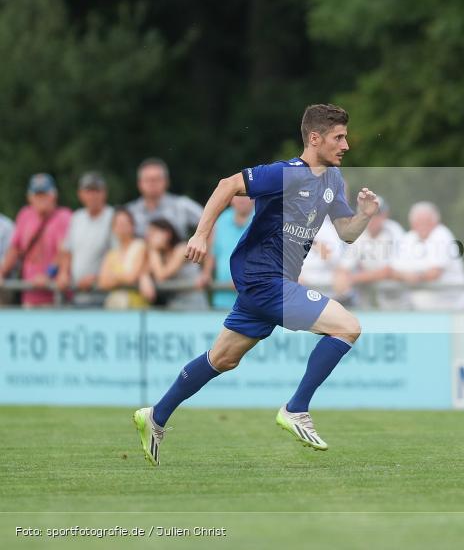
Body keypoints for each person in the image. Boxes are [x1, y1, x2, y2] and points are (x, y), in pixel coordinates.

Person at [133, 103, 380, 466]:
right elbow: (228, 185)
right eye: (338, 137)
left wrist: (363, 216)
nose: (345, 145)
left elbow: (346, 233)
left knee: (223, 358)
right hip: (263, 278)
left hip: (268, 283)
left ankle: (155, 415)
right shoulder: (287, 173)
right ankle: (296, 409)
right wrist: (201, 234)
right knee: (348, 327)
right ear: (315, 138)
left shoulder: (332, 181)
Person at [391, 202, 464, 310]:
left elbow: (434, 273)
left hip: (458, 310)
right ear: (412, 224)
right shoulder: (408, 238)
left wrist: (415, 277)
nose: (423, 225)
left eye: (427, 221)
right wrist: (407, 276)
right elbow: (393, 271)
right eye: (418, 222)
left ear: (436, 222)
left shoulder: (442, 234)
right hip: (424, 312)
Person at [0, 174, 72, 307]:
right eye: (37, 195)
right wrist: (2, 271)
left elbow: (64, 251)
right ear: (29, 197)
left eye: (45, 194)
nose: (41, 199)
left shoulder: (63, 217)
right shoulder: (25, 215)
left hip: (55, 295)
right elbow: (15, 248)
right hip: (29, 293)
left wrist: (48, 275)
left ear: (54, 195)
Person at [333, 196, 408, 309]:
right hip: (368, 303)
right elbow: (343, 268)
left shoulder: (394, 230)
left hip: (397, 302)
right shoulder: (358, 233)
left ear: (385, 215)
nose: (373, 218)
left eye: (377, 214)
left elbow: (389, 271)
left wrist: (353, 278)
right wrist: (342, 278)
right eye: (367, 214)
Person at [56, 172, 114, 307]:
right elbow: (67, 250)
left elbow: (117, 254)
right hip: (77, 293)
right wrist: (63, 272)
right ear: (80, 194)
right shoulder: (77, 218)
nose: (93, 196)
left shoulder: (113, 217)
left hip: (104, 294)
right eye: (88, 191)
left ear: (104, 193)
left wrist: (98, 277)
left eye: (97, 191)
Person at [127, 158, 203, 238]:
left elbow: (209, 222)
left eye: (156, 179)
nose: (152, 183)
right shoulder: (129, 212)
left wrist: (204, 245)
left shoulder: (182, 206)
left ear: (166, 181)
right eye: (147, 179)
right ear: (139, 183)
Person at [143, 218, 210, 310]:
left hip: (193, 305)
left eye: (153, 233)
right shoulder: (160, 256)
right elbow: (144, 270)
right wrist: (144, 277)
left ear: (167, 234)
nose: (150, 238)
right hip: (173, 306)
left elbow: (161, 275)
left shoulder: (181, 249)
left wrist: (153, 250)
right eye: (149, 234)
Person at [97, 207, 149, 309]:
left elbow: (131, 277)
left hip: (136, 307)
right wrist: (122, 277)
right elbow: (102, 282)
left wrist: (113, 276)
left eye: (125, 223)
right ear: (113, 228)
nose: (121, 227)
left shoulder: (141, 246)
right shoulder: (111, 254)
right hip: (116, 307)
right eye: (118, 224)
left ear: (132, 226)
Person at [210, 195, 254, 309]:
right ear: (231, 198)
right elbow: (212, 253)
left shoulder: (265, 218)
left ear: (255, 197)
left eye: (246, 195)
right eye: (238, 195)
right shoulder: (221, 219)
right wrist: (205, 275)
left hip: (253, 301)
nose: (241, 199)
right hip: (221, 300)